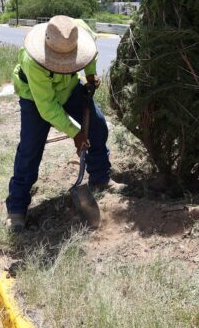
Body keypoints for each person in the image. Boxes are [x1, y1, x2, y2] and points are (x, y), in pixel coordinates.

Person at [6, 15, 122, 231]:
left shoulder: (77, 32)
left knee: (97, 124)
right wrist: (76, 133)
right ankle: (17, 208)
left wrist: (90, 74)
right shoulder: (34, 62)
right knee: (30, 149)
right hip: (35, 98)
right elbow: (48, 107)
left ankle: (100, 177)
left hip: (68, 88)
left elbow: (92, 52)